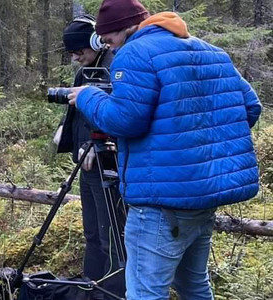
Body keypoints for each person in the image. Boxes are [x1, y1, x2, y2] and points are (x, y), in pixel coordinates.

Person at [67, 0, 262, 299]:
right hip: (203, 196)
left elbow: (124, 121)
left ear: (128, 29)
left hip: (161, 203)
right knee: (194, 286)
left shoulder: (136, 53)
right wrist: (196, 144)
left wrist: (88, 97)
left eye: (110, 40)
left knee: (145, 292)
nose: (112, 49)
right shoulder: (210, 51)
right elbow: (250, 107)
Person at [52, 15, 125, 299]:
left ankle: (113, 291)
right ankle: (90, 285)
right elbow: (78, 110)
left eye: (79, 51)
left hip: (108, 165)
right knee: (92, 231)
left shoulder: (115, 68)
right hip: (86, 163)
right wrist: (66, 132)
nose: (75, 58)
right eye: (71, 53)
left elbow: (122, 116)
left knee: (111, 234)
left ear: (97, 42)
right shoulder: (86, 70)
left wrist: (102, 146)